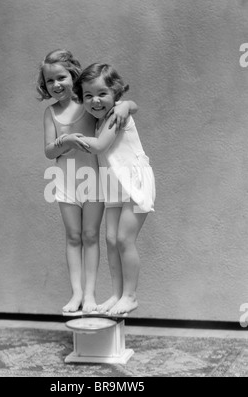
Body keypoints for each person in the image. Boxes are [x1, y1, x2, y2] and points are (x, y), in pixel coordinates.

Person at [37, 50, 138, 313]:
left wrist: (127, 105)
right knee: (73, 236)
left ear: (73, 76)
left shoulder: (89, 104)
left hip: (93, 179)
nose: (57, 85)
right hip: (66, 180)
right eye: (50, 81)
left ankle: (91, 295)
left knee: (91, 235)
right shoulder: (51, 113)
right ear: (45, 85)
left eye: (61, 77)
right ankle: (77, 294)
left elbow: (121, 105)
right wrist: (65, 141)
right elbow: (49, 152)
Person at [72, 63, 156, 315]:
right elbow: (131, 104)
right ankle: (117, 294)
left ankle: (130, 296)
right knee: (110, 240)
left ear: (115, 93)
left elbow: (99, 146)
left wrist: (70, 139)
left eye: (102, 94)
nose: (95, 100)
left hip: (133, 182)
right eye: (88, 96)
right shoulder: (103, 118)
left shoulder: (118, 115)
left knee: (123, 239)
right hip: (114, 184)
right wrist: (127, 103)